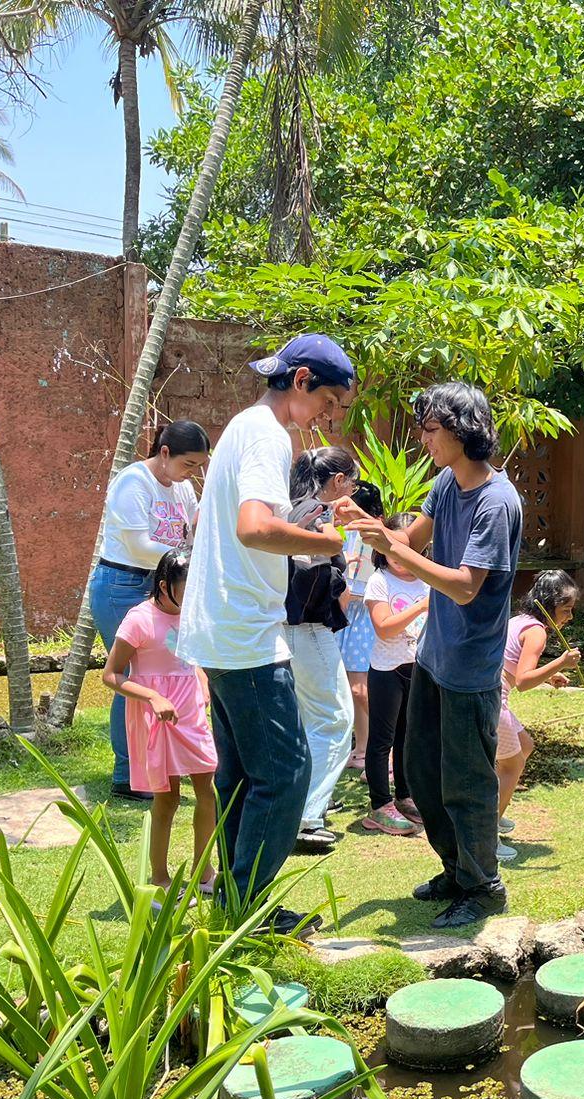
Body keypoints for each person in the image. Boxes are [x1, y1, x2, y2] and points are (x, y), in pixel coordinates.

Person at [176, 334, 356, 934]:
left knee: (241, 776)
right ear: (301, 381)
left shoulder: (242, 427)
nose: (330, 418)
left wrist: (301, 527)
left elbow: (227, 524)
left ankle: (231, 903)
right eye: (330, 402)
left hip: (223, 629)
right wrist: (327, 543)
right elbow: (254, 529)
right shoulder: (266, 434)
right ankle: (248, 909)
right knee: (286, 771)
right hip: (245, 635)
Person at [353, 381, 522, 929]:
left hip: (471, 666)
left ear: (461, 431)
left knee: (468, 782)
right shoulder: (447, 482)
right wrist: (375, 530)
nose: (424, 439)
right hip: (432, 654)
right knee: (422, 771)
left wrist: (391, 548)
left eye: (430, 429)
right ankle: (456, 869)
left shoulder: (496, 503)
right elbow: (414, 543)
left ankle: (484, 886)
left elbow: (465, 586)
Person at [89, 420, 210, 799]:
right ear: (164, 453)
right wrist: (190, 560)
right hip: (122, 584)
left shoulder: (184, 488)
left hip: (165, 584)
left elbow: (192, 532)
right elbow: (140, 545)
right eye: (188, 464)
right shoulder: (132, 482)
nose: (192, 474)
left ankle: (165, 765)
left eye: (198, 467)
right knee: (128, 677)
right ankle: (127, 775)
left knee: (167, 674)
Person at [101, 551, 218, 892]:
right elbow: (111, 676)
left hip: (190, 711)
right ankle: (160, 878)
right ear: (165, 586)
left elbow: (188, 657)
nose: (192, 594)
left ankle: (204, 871)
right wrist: (152, 697)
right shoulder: (139, 619)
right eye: (186, 587)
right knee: (167, 798)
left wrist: (202, 679)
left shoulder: (192, 614)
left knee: (208, 790)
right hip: (154, 715)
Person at [284, 446, 361, 854]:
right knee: (335, 719)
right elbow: (312, 572)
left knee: (310, 719)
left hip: (285, 627)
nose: (354, 489)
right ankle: (308, 815)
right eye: (353, 481)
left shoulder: (289, 506)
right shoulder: (319, 514)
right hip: (309, 626)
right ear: (337, 482)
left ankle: (304, 807)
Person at [495, 570, 582, 862]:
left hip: (488, 689)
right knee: (512, 763)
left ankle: (495, 812)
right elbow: (522, 681)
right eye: (565, 610)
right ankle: (486, 835)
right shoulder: (537, 632)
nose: (568, 617)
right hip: (494, 698)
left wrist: (549, 676)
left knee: (526, 745)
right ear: (549, 604)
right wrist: (562, 662)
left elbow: (513, 666)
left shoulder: (520, 620)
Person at [362, 512, 428, 837]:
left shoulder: (425, 578)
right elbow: (385, 629)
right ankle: (379, 805)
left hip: (416, 667)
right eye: (395, 546)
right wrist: (421, 607)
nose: (402, 556)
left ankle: (404, 796)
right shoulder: (379, 581)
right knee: (381, 740)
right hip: (387, 671)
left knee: (408, 737)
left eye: (409, 547)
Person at [336, 480, 384, 779]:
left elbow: (365, 580)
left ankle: (382, 749)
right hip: (348, 612)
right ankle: (364, 747)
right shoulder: (353, 533)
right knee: (355, 689)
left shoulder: (374, 533)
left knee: (361, 688)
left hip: (364, 613)